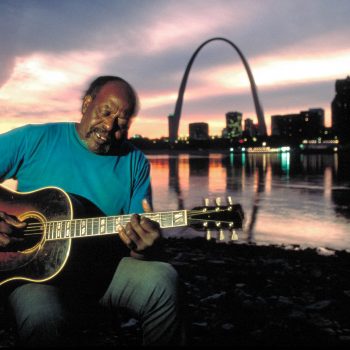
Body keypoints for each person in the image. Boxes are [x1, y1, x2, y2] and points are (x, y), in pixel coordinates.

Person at [0, 76, 185, 346]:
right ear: (87, 104)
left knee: (163, 279)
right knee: (42, 318)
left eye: (122, 121)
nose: (110, 126)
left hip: (102, 270)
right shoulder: (35, 138)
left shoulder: (135, 163)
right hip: (33, 272)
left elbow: (138, 241)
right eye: (106, 112)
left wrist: (145, 248)